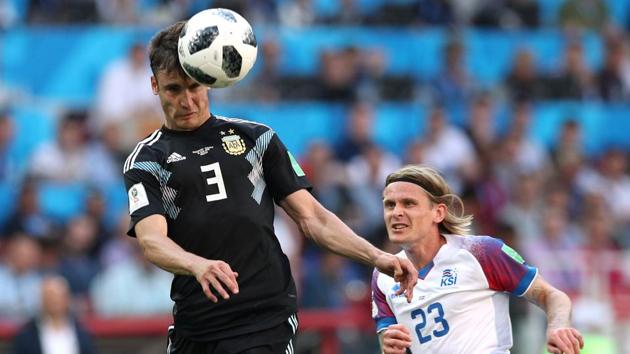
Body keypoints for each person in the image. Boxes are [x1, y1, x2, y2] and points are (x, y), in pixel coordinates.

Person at [122, 21, 418, 354]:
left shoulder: (256, 139)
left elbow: (313, 218)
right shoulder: (147, 160)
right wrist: (197, 265)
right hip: (197, 322)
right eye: (173, 89)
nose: (187, 100)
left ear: (210, 80)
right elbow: (152, 240)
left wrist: (377, 256)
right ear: (154, 86)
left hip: (263, 318)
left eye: (194, 86)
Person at [371, 165, 584, 354]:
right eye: (390, 205)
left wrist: (558, 327)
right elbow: (388, 344)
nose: (396, 212)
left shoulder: (481, 252)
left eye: (408, 204)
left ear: (438, 213)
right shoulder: (383, 276)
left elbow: (553, 296)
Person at [11, 275, 95, 354]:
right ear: (42, 299)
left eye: (58, 297)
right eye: (50, 297)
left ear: (67, 299)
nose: (55, 302)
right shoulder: (26, 336)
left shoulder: (82, 333)